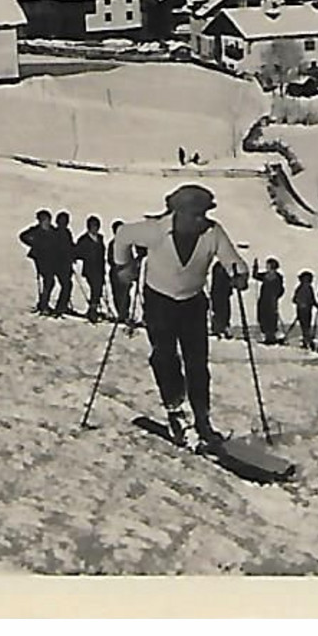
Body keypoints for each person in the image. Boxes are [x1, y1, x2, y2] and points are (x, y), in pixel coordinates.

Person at [110, 184, 247, 449]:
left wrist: (239, 274)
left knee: (197, 363)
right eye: (196, 214)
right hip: (159, 301)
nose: (202, 219)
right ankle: (176, 412)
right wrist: (123, 267)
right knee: (164, 355)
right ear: (179, 213)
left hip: (192, 303)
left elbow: (231, 258)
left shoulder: (212, 232)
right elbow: (123, 236)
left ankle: (202, 420)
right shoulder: (155, 231)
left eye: (204, 214)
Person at [19, 209, 56, 313]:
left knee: (50, 281)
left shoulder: (53, 230)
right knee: (49, 280)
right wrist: (34, 244)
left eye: (47, 219)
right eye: (43, 220)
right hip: (40, 258)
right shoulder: (36, 230)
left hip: (51, 259)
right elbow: (23, 236)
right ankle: (43, 304)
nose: (46, 222)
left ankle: (43, 303)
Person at [75, 216, 107, 324]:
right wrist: (85, 256)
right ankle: (92, 311)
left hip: (99, 269)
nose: (95, 228)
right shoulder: (84, 240)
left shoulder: (100, 238)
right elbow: (77, 252)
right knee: (95, 289)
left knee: (98, 290)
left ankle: (93, 309)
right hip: (90, 269)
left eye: (97, 226)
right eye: (93, 226)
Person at [107, 220, 136, 328]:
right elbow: (110, 260)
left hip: (126, 274)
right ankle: (121, 314)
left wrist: (133, 272)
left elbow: (131, 259)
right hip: (116, 274)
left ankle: (125, 314)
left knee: (126, 295)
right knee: (117, 294)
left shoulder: (127, 245)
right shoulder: (112, 244)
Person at [49, 212, 77, 316]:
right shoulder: (58, 234)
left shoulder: (65, 232)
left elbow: (70, 246)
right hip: (60, 264)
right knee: (67, 285)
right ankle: (61, 306)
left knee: (67, 285)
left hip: (65, 264)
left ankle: (62, 305)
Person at [254, 257, 285, 344]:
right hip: (264, 300)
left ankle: (271, 337)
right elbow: (255, 276)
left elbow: (280, 289)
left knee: (271, 318)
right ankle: (268, 336)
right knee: (263, 317)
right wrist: (255, 267)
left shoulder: (278, 277)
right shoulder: (265, 275)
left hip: (271, 300)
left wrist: (275, 296)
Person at [293, 270, 317, 349]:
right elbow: (294, 299)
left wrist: (317, 306)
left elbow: (313, 299)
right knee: (305, 327)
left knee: (307, 327)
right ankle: (307, 341)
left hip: (308, 311)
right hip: (301, 311)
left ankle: (307, 341)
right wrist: (301, 303)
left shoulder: (309, 288)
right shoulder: (300, 288)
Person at [209, 261, 234, 338]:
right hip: (218, 293)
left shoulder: (224, 267)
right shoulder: (218, 267)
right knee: (219, 311)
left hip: (222, 293)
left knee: (223, 311)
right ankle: (218, 328)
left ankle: (222, 327)